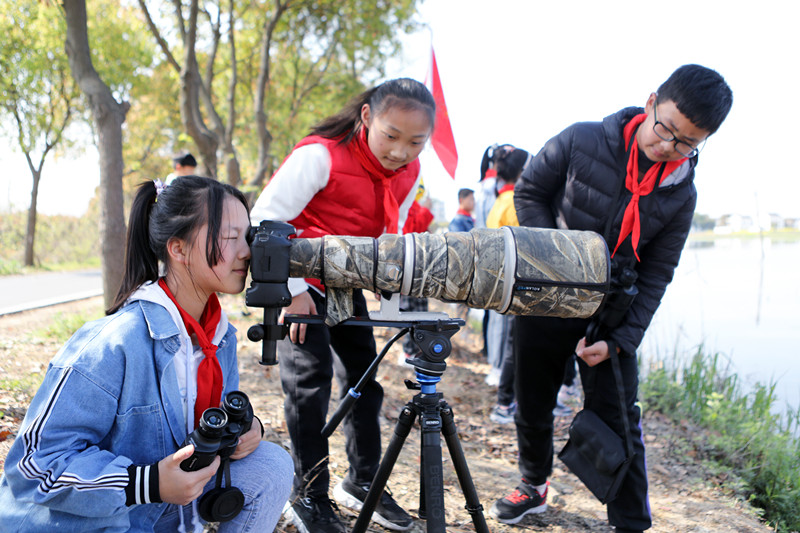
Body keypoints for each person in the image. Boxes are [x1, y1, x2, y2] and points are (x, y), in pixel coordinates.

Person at [490, 64, 733, 532]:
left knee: (622, 418)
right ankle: (533, 484)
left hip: (609, 312)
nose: (668, 147)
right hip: (548, 295)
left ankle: (630, 522)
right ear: (650, 103)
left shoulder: (681, 192)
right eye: (666, 129)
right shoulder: (582, 139)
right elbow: (531, 190)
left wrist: (622, 339)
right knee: (533, 400)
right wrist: (559, 256)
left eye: (687, 143)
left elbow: (658, 272)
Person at [0, 176, 293, 532]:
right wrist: (146, 482)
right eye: (230, 238)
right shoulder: (114, 343)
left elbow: (205, 427)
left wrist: (245, 430)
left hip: (159, 514)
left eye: (246, 237)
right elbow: (31, 467)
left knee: (272, 464)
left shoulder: (220, 337)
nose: (246, 252)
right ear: (179, 249)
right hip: (94, 519)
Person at [249, 77, 435, 533]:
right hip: (299, 280)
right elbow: (263, 220)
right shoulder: (319, 155)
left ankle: (362, 480)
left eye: (416, 141)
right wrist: (291, 291)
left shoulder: (410, 171)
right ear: (368, 117)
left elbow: (390, 227)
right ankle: (308, 493)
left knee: (365, 383)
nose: (400, 152)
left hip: (347, 281)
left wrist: (388, 285)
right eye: (391, 136)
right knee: (310, 385)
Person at [482, 146, 529, 424]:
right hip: (517, 284)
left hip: (503, 282)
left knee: (512, 343)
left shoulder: (502, 200)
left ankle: (505, 402)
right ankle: (504, 404)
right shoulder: (516, 202)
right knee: (515, 345)